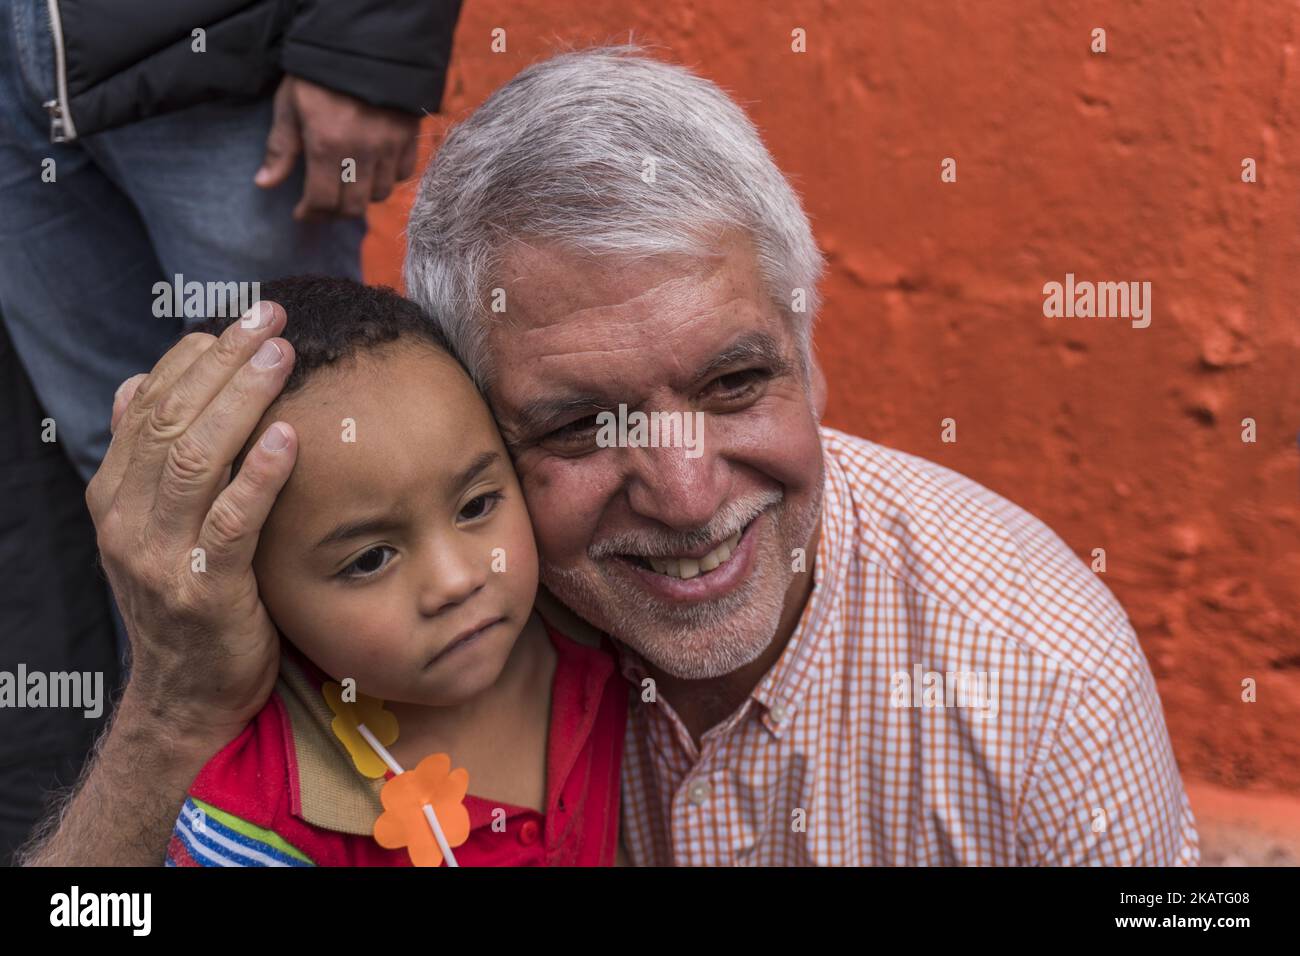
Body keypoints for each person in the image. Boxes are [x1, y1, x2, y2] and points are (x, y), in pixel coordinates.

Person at [22, 47, 1198, 867]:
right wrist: (171, 709)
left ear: (810, 347)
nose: (685, 495)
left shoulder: (1040, 682)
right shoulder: (394, 609)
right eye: (581, 424)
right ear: (476, 428)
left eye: (735, 383)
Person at [0, 0, 461, 863]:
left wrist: (368, 40)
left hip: (220, 50)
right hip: (16, 84)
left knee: (312, 475)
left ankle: (371, 820)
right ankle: (214, 821)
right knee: (131, 475)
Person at [163, 277, 625, 867]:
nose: (456, 580)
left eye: (477, 505)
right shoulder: (257, 820)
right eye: (369, 560)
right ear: (248, 587)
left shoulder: (603, 621)